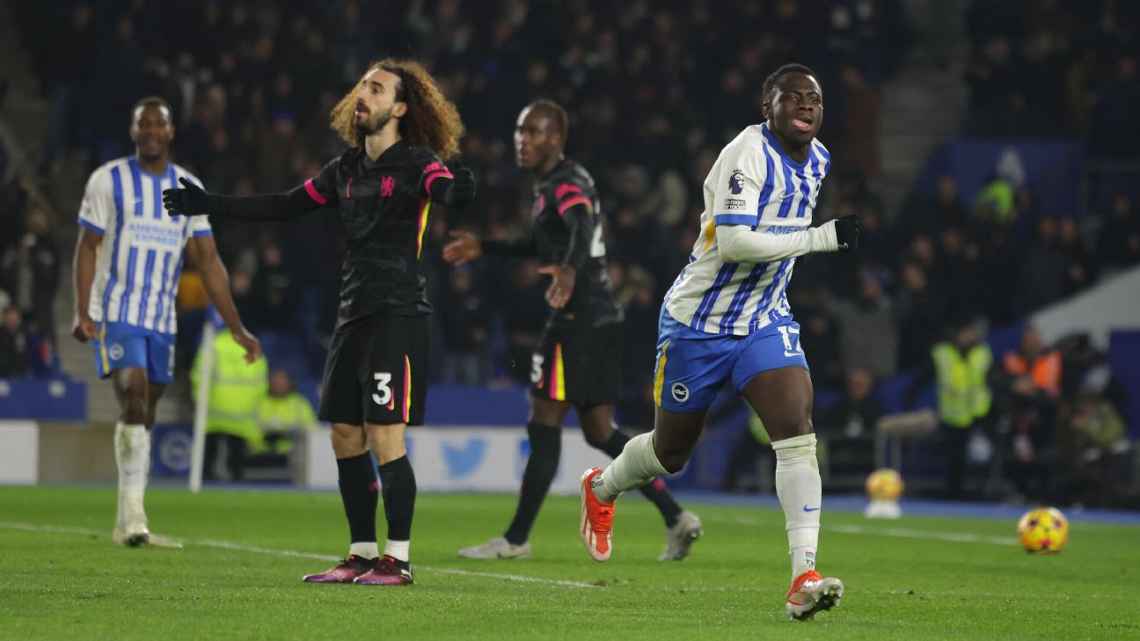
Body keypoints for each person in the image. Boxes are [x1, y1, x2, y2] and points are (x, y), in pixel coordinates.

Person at [163, 59, 476, 586]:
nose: (363, 95)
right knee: (344, 436)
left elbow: (445, 187)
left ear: (399, 107)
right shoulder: (345, 170)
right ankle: (359, 553)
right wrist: (209, 204)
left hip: (397, 314)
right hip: (352, 313)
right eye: (361, 86)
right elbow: (284, 206)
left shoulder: (418, 163)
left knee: (384, 435)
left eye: (376, 89)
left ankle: (397, 559)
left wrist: (458, 192)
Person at [576, 64, 861, 620]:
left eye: (816, 99)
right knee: (670, 452)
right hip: (698, 324)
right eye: (793, 97)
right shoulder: (746, 154)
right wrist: (820, 239)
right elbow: (732, 244)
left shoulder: (820, 159)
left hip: (762, 321)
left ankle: (803, 575)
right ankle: (602, 487)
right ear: (767, 107)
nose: (806, 105)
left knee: (797, 432)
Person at [443, 100, 701, 562]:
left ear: (556, 139)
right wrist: (487, 246)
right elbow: (542, 242)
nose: (522, 140)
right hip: (598, 318)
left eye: (533, 132)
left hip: (577, 320)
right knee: (601, 431)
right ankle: (676, 516)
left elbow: (582, 222)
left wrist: (567, 272)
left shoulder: (566, 183)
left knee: (544, 420)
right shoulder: (552, 184)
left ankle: (516, 539)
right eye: (520, 132)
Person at [71, 97, 260, 548]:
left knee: (146, 411)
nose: (152, 131)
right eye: (144, 125)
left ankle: (126, 516)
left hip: (162, 320)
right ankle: (135, 516)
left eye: (160, 125)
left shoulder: (187, 187)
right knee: (133, 394)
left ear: (171, 132)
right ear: (134, 131)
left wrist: (236, 325)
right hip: (119, 312)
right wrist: (83, 310)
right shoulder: (109, 180)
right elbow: (87, 245)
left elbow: (208, 260)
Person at [192, 309, 269, 482]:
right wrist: (256, 404)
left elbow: (199, 376)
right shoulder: (253, 346)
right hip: (243, 412)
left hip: (214, 410)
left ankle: (206, 480)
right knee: (237, 460)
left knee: (209, 456)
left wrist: (199, 400)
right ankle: (237, 481)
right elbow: (261, 382)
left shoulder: (214, 344)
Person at [255, 368, 320, 456]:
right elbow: (247, 429)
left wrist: (288, 434)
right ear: (269, 383)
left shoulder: (300, 404)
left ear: (290, 383)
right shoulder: (258, 402)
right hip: (260, 456)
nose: (278, 385)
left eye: (282, 382)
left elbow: (312, 430)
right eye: (275, 382)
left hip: (292, 457)